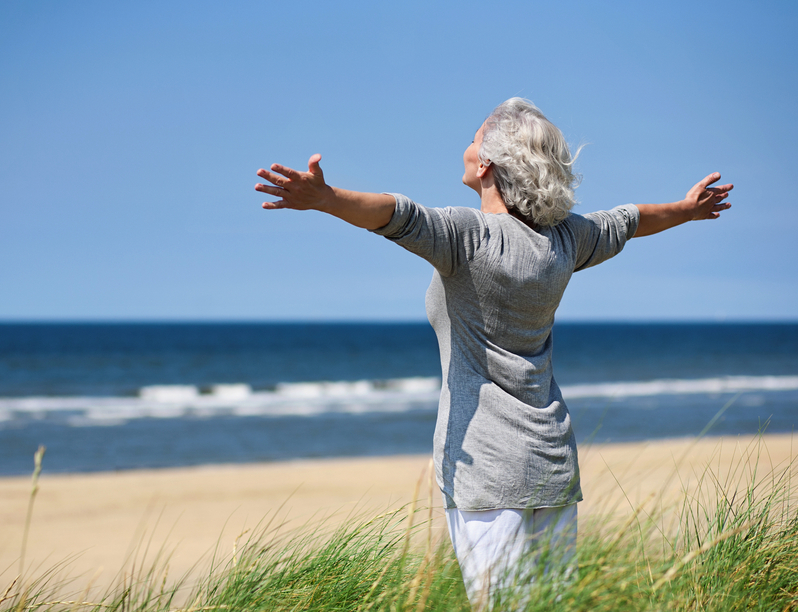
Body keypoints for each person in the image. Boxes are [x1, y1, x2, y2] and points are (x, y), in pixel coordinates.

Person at [254, 98, 732, 609]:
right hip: (552, 464)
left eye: (474, 137)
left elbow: (397, 214)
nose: (465, 145)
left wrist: (327, 198)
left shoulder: (468, 237)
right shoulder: (566, 240)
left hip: (488, 472)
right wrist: (690, 210)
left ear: (486, 164)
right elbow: (629, 221)